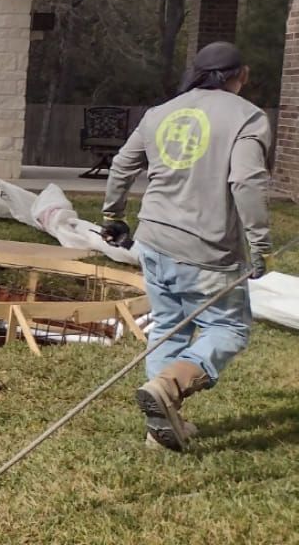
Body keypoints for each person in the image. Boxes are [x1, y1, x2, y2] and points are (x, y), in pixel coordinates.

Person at [101, 41, 272, 452]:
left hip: (154, 241)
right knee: (227, 328)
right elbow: (246, 182)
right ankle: (170, 387)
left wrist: (112, 215)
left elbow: (123, 163)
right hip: (209, 251)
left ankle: (161, 429)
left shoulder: (159, 113)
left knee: (168, 328)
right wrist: (260, 243)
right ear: (240, 75)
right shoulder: (248, 117)